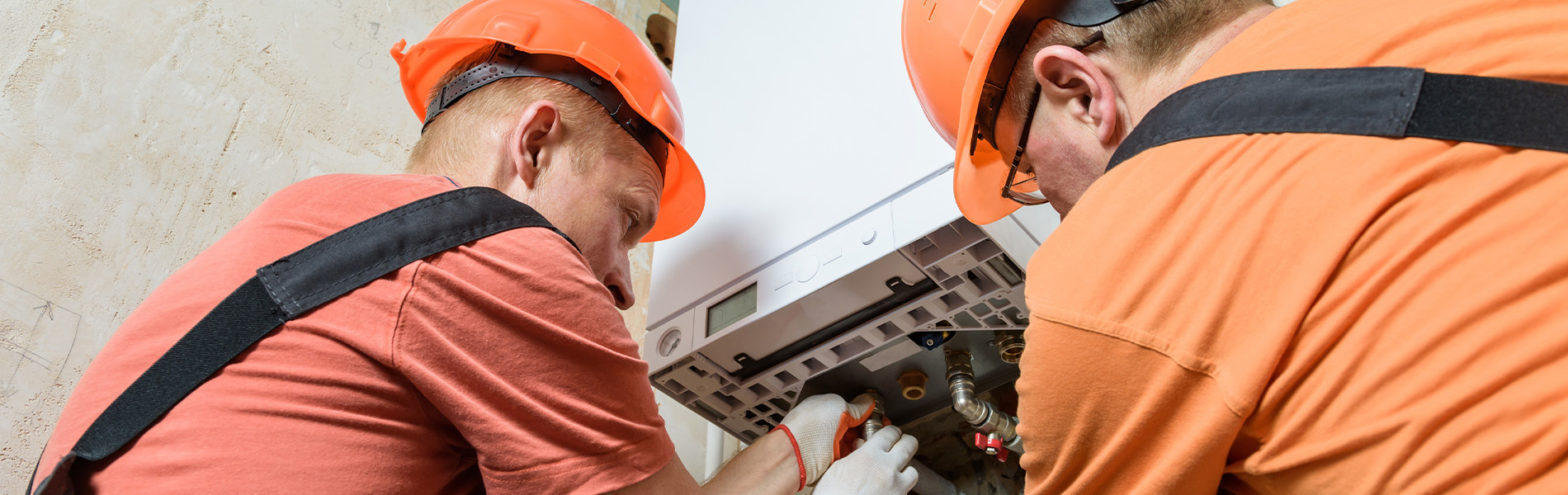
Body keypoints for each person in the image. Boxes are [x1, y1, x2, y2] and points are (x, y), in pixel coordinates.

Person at [31, 0, 918, 493]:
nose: (619, 283)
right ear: (533, 145)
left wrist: (799, 449)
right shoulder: (502, 254)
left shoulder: (320, 226)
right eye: (627, 221)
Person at [901, 0, 1568, 492]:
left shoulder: (1107, 272)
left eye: (1025, 166)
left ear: (1078, 90)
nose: (1047, 194)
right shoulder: (1482, 14)